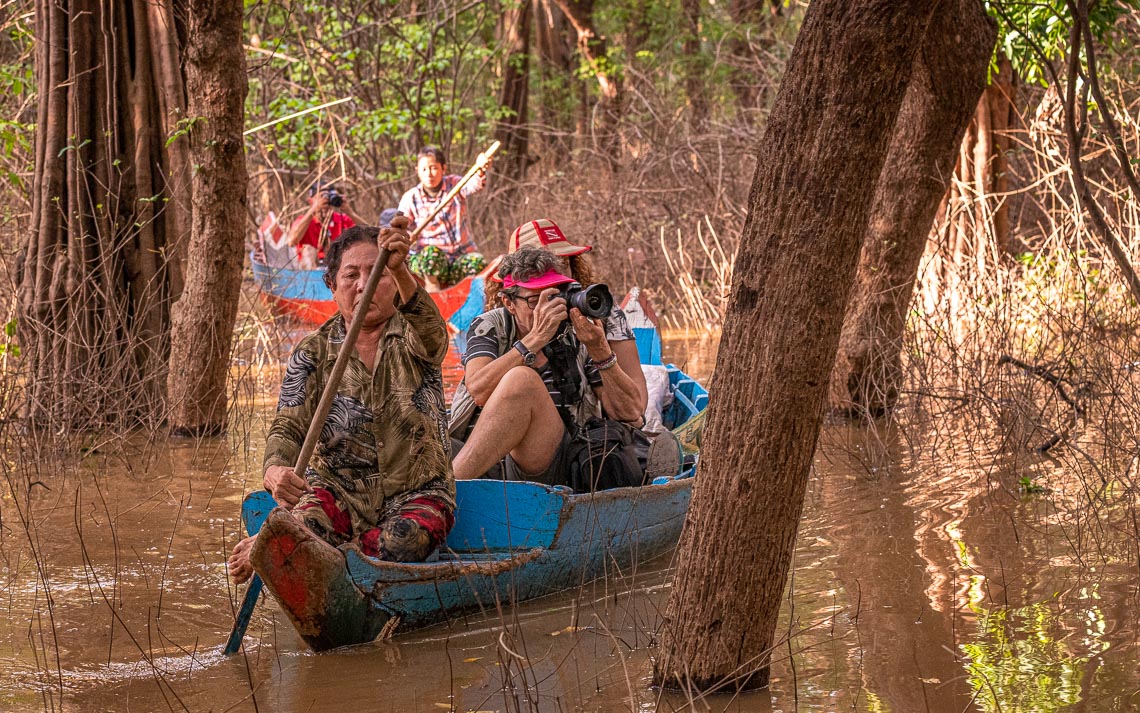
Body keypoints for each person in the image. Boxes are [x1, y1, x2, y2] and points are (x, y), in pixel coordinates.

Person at [228, 218, 455, 584]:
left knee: (405, 541)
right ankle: (293, 542)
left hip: (418, 492)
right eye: (351, 276)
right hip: (338, 492)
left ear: (394, 284)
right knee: (307, 522)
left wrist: (398, 267)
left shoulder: (414, 331)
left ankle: (311, 552)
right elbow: (288, 427)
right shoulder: (313, 351)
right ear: (332, 286)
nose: (364, 285)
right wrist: (275, 473)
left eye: (376, 274)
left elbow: (433, 336)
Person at [448, 241, 649, 487]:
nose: (546, 309)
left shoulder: (575, 332)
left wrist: (600, 350)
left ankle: (448, 489)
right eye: (534, 300)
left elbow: (631, 412)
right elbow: (478, 391)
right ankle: (452, 483)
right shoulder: (490, 325)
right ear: (509, 303)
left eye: (552, 296)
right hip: (485, 460)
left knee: (521, 381)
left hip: (553, 461)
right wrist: (534, 340)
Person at [399, 146, 488, 288]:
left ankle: (457, 298)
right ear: (417, 171)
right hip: (431, 262)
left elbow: (475, 184)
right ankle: (433, 297)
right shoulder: (411, 198)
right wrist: (407, 235)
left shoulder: (454, 185)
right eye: (424, 169)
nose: (429, 174)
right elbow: (401, 226)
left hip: (459, 256)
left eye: (433, 168)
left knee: (477, 263)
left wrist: (481, 169)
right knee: (430, 256)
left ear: (443, 168)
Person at [287, 180, 362, 269]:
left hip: (337, 266)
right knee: (309, 250)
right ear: (311, 201)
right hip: (310, 272)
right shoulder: (304, 220)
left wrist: (350, 212)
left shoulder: (342, 219)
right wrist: (314, 209)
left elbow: (369, 234)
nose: (325, 200)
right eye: (322, 196)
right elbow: (292, 241)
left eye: (328, 197)